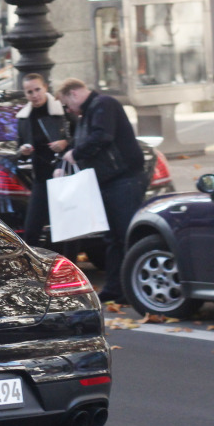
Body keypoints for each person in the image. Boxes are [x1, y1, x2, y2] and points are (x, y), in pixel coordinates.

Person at [55, 78, 145, 304]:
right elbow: (80, 143)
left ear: (74, 94)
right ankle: (116, 289)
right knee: (114, 238)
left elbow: (102, 136)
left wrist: (76, 154)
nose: (68, 110)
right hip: (110, 181)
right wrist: (61, 166)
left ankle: (129, 289)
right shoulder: (90, 113)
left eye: (67, 104)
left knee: (122, 237)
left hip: (122, 179)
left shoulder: (104, 104)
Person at [15, 73, 72, 247]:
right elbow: (18, 147)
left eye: (37, 89)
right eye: (29, 92)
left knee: (65, 228)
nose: (34, 95)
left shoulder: (61, 111)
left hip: (64, 174)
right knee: (32, 229)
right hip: (41, 176)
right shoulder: (24, 117)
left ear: (45, 88)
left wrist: (65, 143)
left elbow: (81, 136)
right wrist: (23, 151)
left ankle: (68, 267)